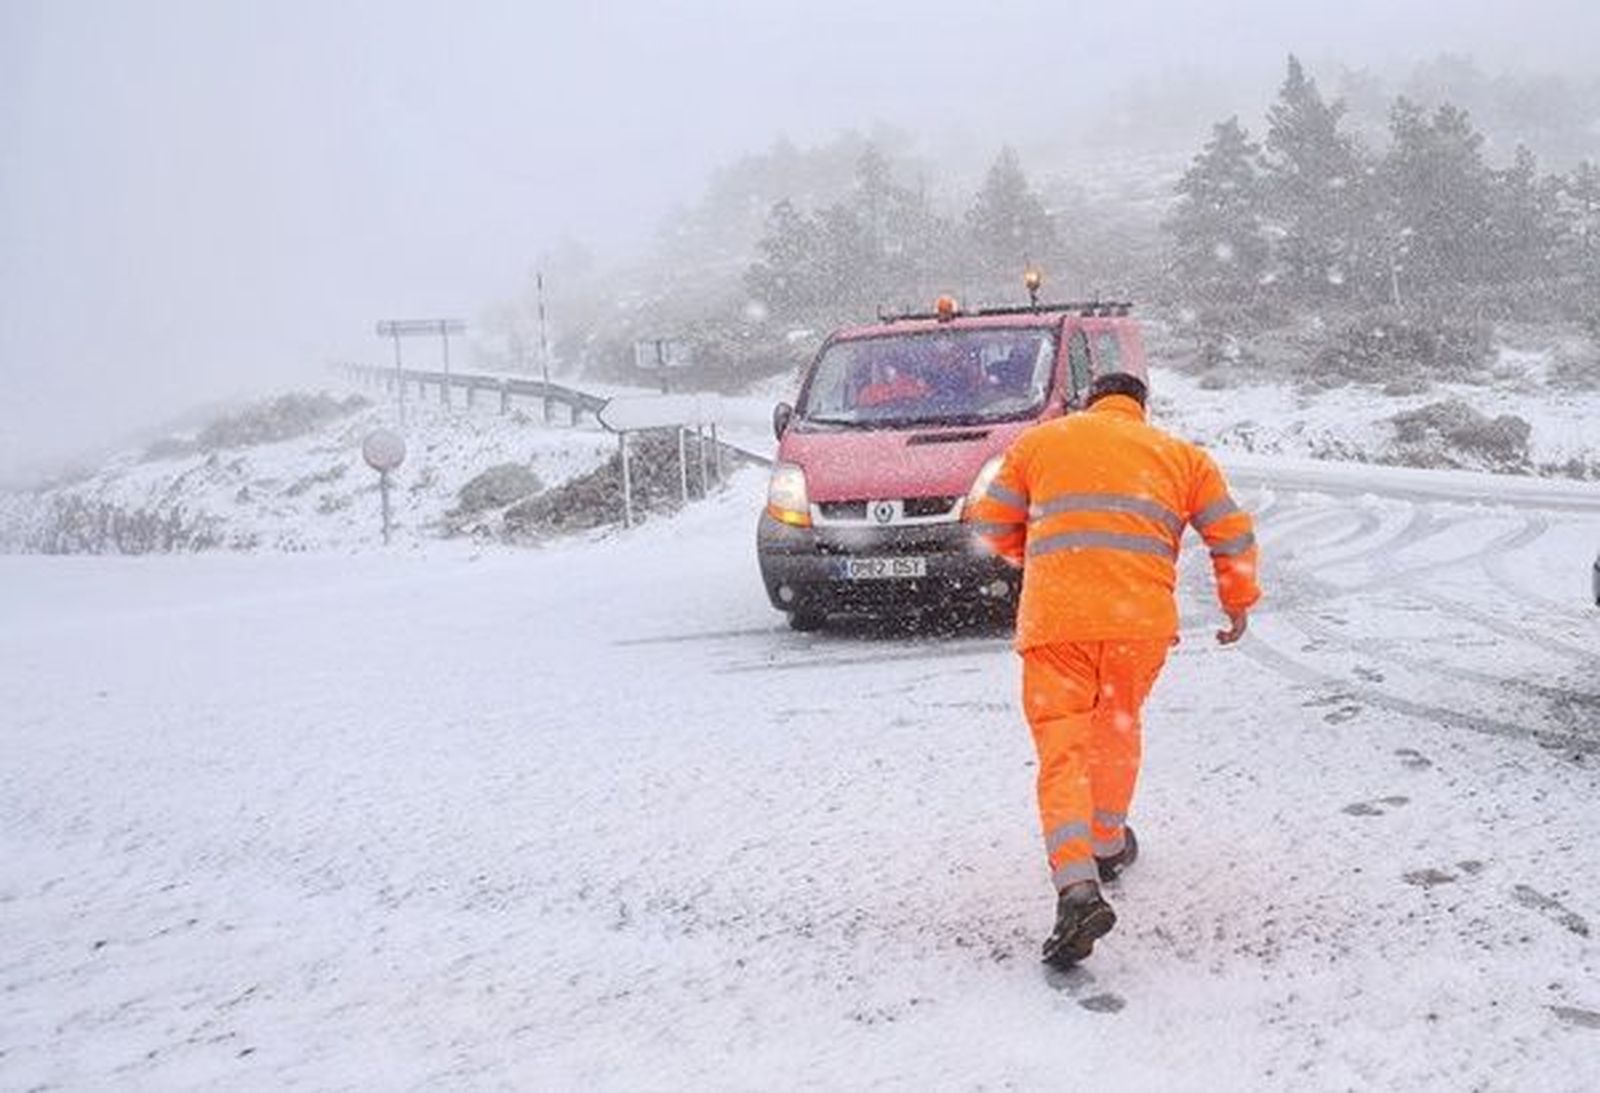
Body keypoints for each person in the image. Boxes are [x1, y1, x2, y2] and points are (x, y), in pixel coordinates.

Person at [968, 370, 1261, 968]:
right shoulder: (1182, 457)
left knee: (1063, 750)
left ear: (1089, 402)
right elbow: (1231, 535)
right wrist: (1236, 603)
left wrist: (1042, 558)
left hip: (1058, 623)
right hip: (1139, 624)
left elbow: (990, 521)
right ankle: (1106, 843)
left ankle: (1077, 885)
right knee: (1117, 729)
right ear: (1141, 408)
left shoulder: (1041, 443)